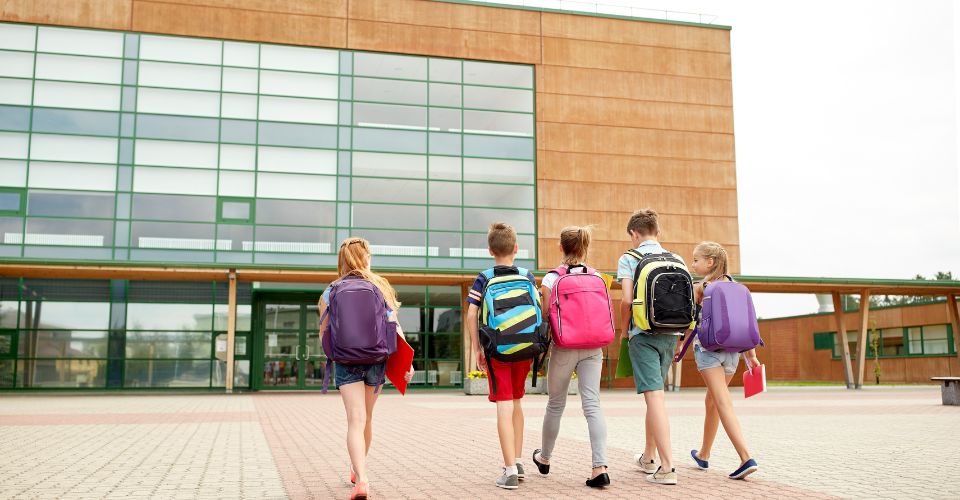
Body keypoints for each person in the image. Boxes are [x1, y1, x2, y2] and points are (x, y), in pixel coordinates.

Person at [318, 237, 414, 500]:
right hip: (376, 360)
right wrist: (408, 361)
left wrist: (335, 354)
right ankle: (358, 467)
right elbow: (394, 326)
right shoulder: (379, 286)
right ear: (366, 258)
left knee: (354, 420)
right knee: (367, 419)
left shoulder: (331, 291)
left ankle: (362, 478)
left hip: (346, 362)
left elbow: (324, 333)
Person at [532, 226, 611, 488]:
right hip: (594, 347)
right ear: (584, 247)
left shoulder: (551, 279)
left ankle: (544, 458)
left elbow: (545, 315)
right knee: (593, 405)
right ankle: (599, 466)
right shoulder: (598, 276)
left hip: (565, 346)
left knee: (556, 404)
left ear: (561, 247)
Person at [466, 222, 539, 490]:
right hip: (526, 346)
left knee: (503, 405)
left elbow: (472, 313)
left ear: (490, 250)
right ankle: (518, 461)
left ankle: (509, 470)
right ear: (516, 248)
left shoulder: (484, 278)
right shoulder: (527, 275)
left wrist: (477, 348)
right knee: (518, 401)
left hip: (497, 349)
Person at [684, 241, 760, 480]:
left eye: (696, 260)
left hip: (709, 351)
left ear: (710, 262)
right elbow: (744, 322)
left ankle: (745, 457)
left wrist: (679, 345)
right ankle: (704, 453)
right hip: (733, 353)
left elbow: (691, 321)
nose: (693, 264)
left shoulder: (701, 288)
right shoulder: (736, 287)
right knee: (713, 402)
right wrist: (752, 356)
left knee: (722, 401)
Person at [617, 209, 681, 485]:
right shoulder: (677, 259)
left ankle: (667, 468)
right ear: (658, 230)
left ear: (634, 233)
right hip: (670, 333)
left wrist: (623, 331)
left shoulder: (629, 258)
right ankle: (648, 457)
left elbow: (626, 300)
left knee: (654, 398)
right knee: (654, 396)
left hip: (643, 334)